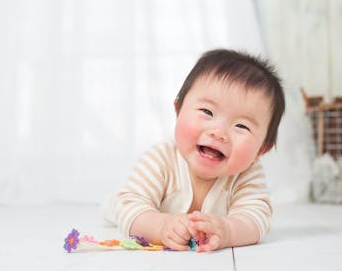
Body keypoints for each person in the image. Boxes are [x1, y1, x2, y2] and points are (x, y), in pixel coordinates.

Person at [102, 49, 285, 252]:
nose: (219, 132)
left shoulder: (247, 173)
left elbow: (256, 219)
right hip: (123, 204)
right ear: (178, 109)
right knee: (117, 204)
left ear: (262, 149)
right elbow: (131, 208)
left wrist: (228, 230)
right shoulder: (161, 159)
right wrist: (161, 226)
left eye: (241, 126)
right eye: (207, 112)